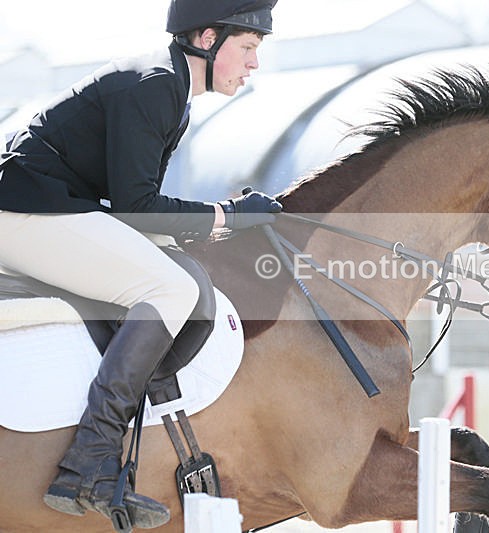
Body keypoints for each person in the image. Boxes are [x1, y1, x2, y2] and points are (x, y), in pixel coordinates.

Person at [0, 0, 281, 528]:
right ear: (206, 40)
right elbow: (138, 207)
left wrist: (224, 219)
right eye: (247, 48)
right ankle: (92, 459)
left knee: (174, 273)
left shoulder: (169, 88)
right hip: (21, 215)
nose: (253, 65)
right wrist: (231, 215)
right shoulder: (155, 85)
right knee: (171, 290)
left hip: (44, 210)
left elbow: (138, 208)